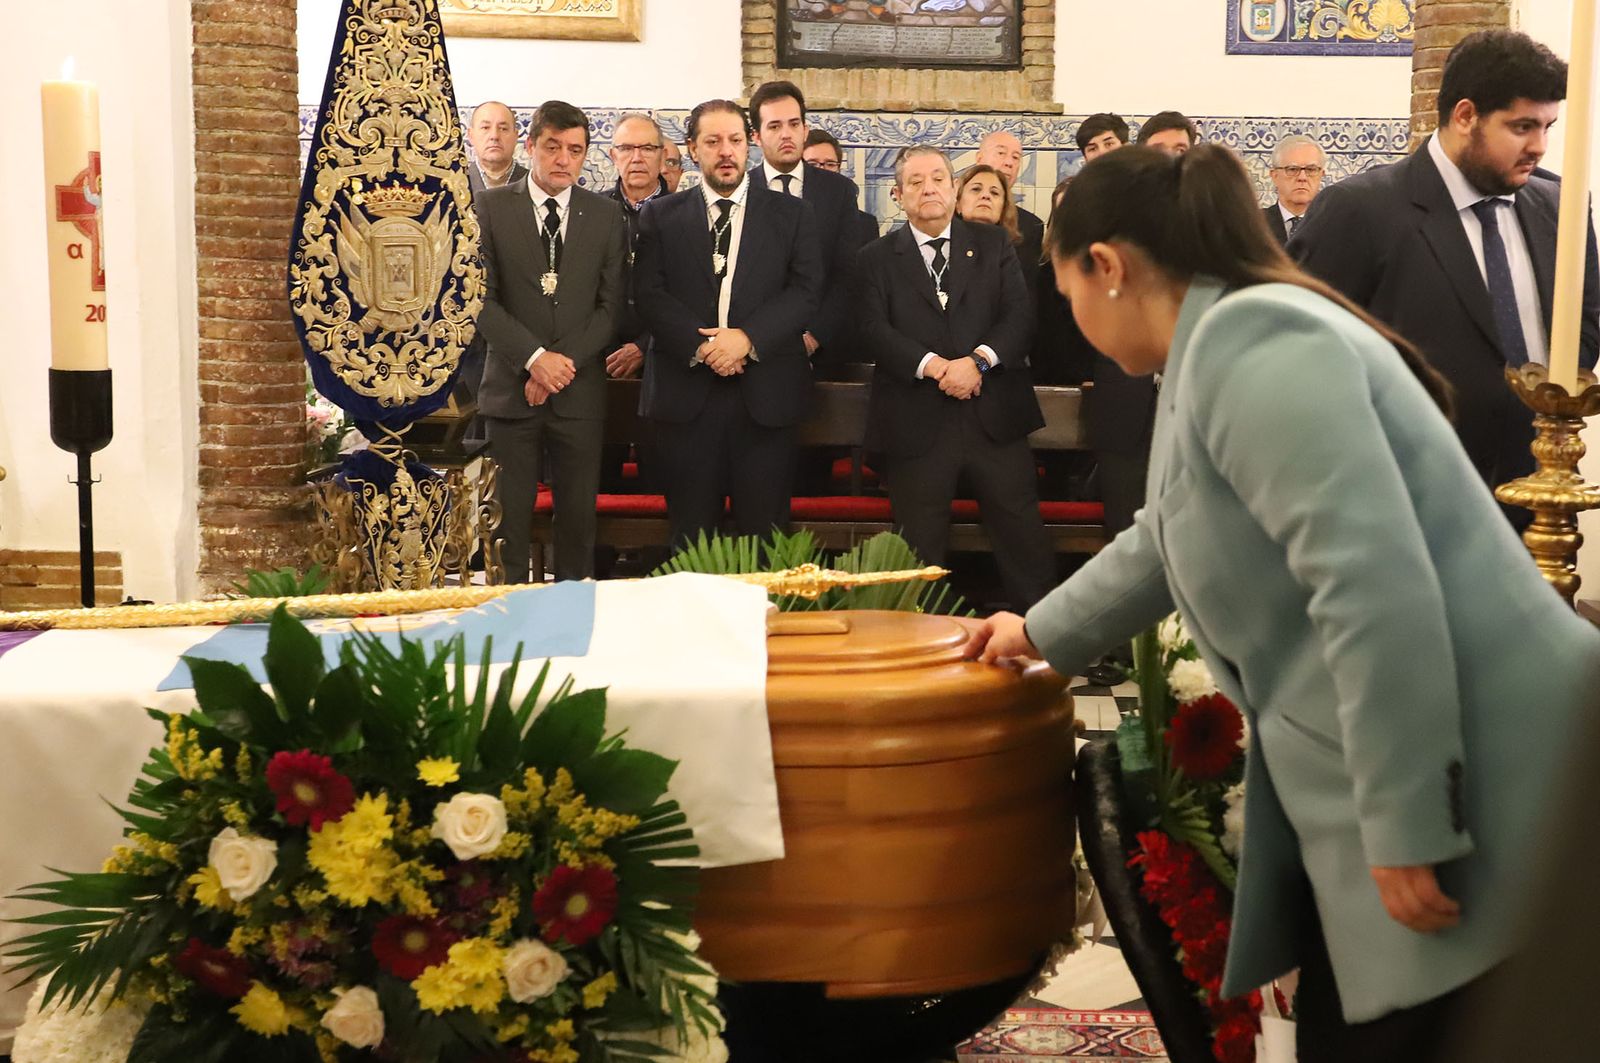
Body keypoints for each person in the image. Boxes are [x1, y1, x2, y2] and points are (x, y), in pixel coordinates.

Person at [963, 142, 1600, 1063]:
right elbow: (1168, 531)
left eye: (1067, 290)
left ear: (1107, 265)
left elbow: (1373, 585)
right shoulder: (1219, 342)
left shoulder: (1259, 344)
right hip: (1430, 757)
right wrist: (1038, 630)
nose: (1074, 314)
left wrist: (1407, 822)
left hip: (1487, 771)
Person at [1293, 29, 1599, 507]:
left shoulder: (1559, 207)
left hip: (1535, 487)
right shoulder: (1360, 210)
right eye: (1522, 127)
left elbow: (1585, 321)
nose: (1539, 146)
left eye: (1547, 127)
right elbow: (1305, 357)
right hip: (1405, 493)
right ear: (1465, 116)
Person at [858, 145, 1054, 610]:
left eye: (938, 179)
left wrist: (978, 362)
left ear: (953, 188)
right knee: (917, 550)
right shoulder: (875, 257)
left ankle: (1042, 635)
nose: (928, 188)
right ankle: (917, 639)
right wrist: (934, 365)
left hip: (994, 417)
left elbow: (1019, 318)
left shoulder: (993, 244)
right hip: (917, 421)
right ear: (898, 195)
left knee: (1023, 539)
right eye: (916, 182)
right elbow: (871, 329)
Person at [633, 99, 822, 548]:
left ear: (749, 144)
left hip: (765, 398)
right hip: (686, 399)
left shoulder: (792, 214)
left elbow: (805, 291)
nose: (726, 151)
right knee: (692, 542)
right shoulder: (660, 215)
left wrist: (747, 339)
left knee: (766, 542)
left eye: (735, 140)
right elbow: (648, 293)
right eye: (713, 141)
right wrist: (703, 348)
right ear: (692, 148)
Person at [475, 101, 628, 583]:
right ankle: (508, 618)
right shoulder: (490, 208)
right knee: (507, 526)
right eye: (553, 147)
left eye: (575, 150)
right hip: (510, 391)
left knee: (578, 526)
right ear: (530, 146)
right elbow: (479, 300)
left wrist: (558, 367)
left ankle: (572, 619)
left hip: (578, 394)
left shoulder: (606, 215)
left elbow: (610, 309)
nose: (564, 159)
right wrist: (534, 359)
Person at [748, 80, 863, 375]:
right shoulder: (741, 190)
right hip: (752, 349)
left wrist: (814, 336)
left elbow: (847, 274)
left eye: (793, 124)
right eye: (774, 126)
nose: (786, 134)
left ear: (805, 130)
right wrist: (758, 338)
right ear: (756, 136)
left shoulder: (838, 191)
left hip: (822, 352)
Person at [604, 112, 669, 383]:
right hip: (599, 356)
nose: (637, 158)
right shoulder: (592, 212)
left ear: (662, 156)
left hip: (665, 355)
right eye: (626, 148)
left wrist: (644, 345)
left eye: (648, 148)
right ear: (613, 155)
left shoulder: (684, 214)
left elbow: (693, 295)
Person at [975, 129, 1044, 282]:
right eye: (1001, 153)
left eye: (1016, 157)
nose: (1009, 163)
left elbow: (1028, 287)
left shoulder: (1031, 226)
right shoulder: (951, 219)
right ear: (979, 159)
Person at [1265, 134, 1326, 244]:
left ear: (1321, 175)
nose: (1302, 177)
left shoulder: (1334, 225)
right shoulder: (1253, 224)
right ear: (1274, 176)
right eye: (1292, 169)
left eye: (1311, 170)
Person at [465, 101, 528, 193]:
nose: (494, 136)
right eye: (485, 128)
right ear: (471, 135)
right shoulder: (457, 183)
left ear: (515, 136)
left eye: (503, 129)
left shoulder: (533, 184)